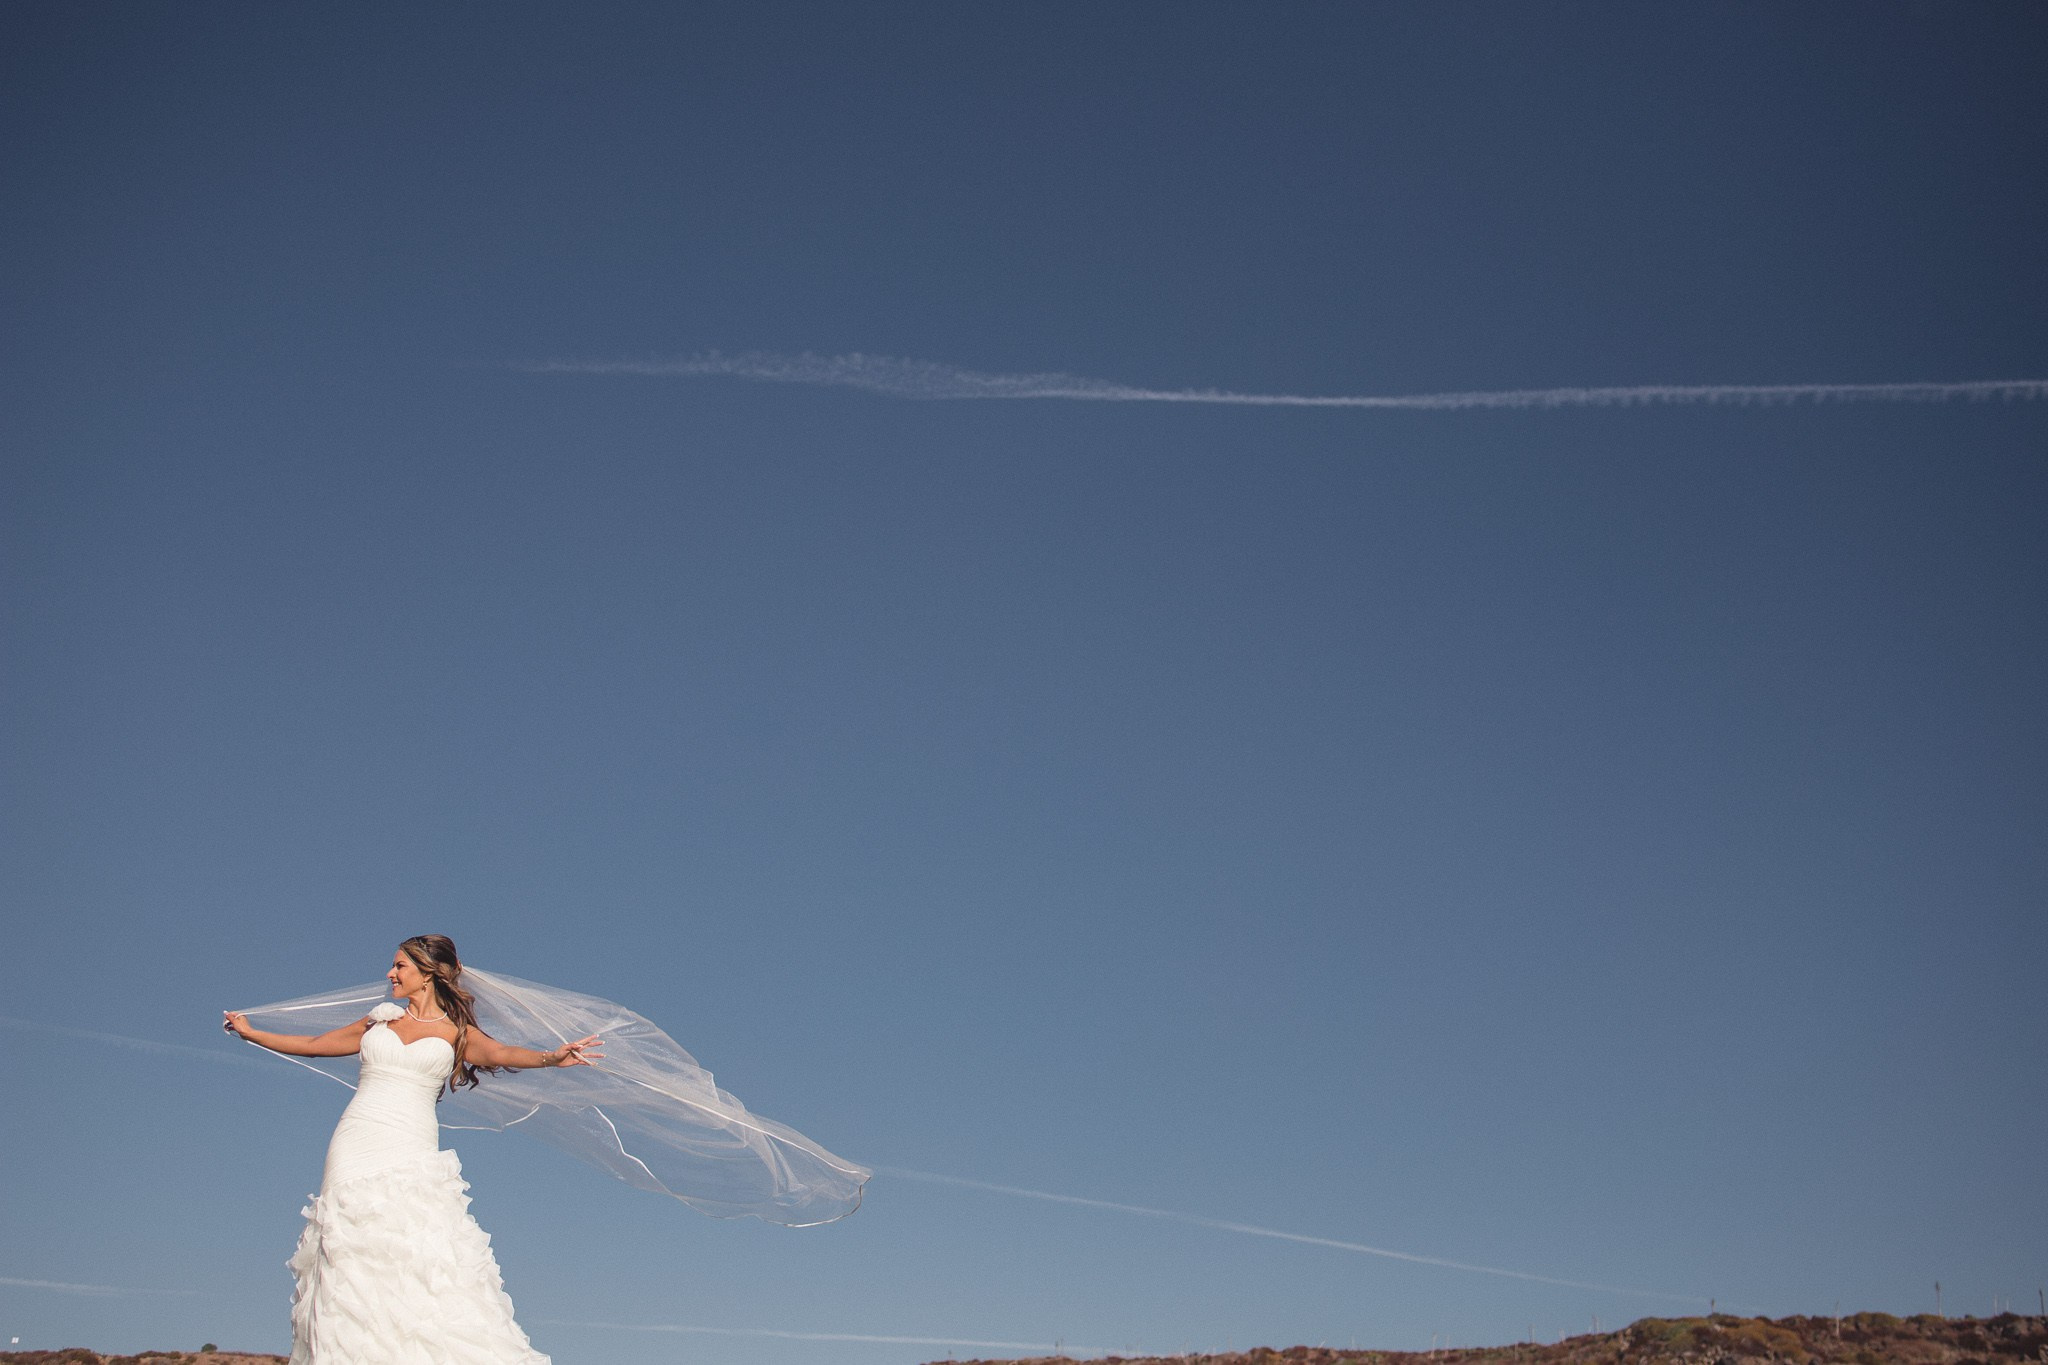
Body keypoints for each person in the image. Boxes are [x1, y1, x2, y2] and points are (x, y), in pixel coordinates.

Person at [224, 934, 600, 1365]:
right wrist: (252, 1034)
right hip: (356, 1140)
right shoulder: (379, 1021)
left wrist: (552, 1058)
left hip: (411, 1143)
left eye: (400, 966)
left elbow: (500, 1052)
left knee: (417, 1248)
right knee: (348, 1245)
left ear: (428, 974)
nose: (390, 974)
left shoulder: (457, 1032)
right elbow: (314, 1046)